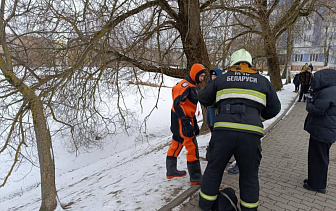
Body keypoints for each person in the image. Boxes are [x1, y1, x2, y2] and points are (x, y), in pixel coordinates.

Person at [198, 49, 281, 210]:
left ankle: (205, 206)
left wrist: (218, 104)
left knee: (214, 170)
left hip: (223, 133)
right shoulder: (262, 81)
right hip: (251, 135)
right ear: (250, 63)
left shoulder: (222, 79)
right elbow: (275, 108)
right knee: (249, 175)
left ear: (232, 63)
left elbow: (203, 97)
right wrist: (258, 116)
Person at [166, 63, 206, 185]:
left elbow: (190, 107)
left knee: (177, 143)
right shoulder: (185, 86)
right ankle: (196, 177)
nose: (202, 78)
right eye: (202, 76)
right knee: (192, 147)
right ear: (195, 74)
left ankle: (171, 170)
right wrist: (185, 122)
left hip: (182, 120)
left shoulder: (191, 85)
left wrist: (194, 123)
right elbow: (178, 104)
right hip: (180, 120)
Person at [303, 68, 336, 194]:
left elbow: (317, 110)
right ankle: (314, 181)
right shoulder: (332, 89)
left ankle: (317, 185)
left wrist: (309, 103)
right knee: (319, 157)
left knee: (318, 158)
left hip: (322, 131)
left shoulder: (327, 92)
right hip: (326, 130)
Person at [206, 68, 240, 175]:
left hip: (224, 119)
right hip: (211, 118)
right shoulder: (209, 86)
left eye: (216, 75)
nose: (213, 77)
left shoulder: (224, 87)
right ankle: (214, 158)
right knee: (216, 139)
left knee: (228, 141)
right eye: (212, 75)